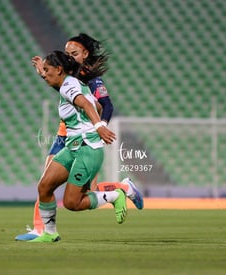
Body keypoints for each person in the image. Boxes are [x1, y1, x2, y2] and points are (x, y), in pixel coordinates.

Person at [15, 34, 143, 241]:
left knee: (77, 198)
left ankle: (120, 190)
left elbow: (94, 103)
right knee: (45, 184)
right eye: (67, 54)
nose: (70, 57)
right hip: (67, 137)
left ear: (85, 54)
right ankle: (44, 231)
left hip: (84, 141)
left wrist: (100, 126)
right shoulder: (68, 79)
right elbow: (76, 94)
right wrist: (43, 71)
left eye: (74, 53)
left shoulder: (86, 79)